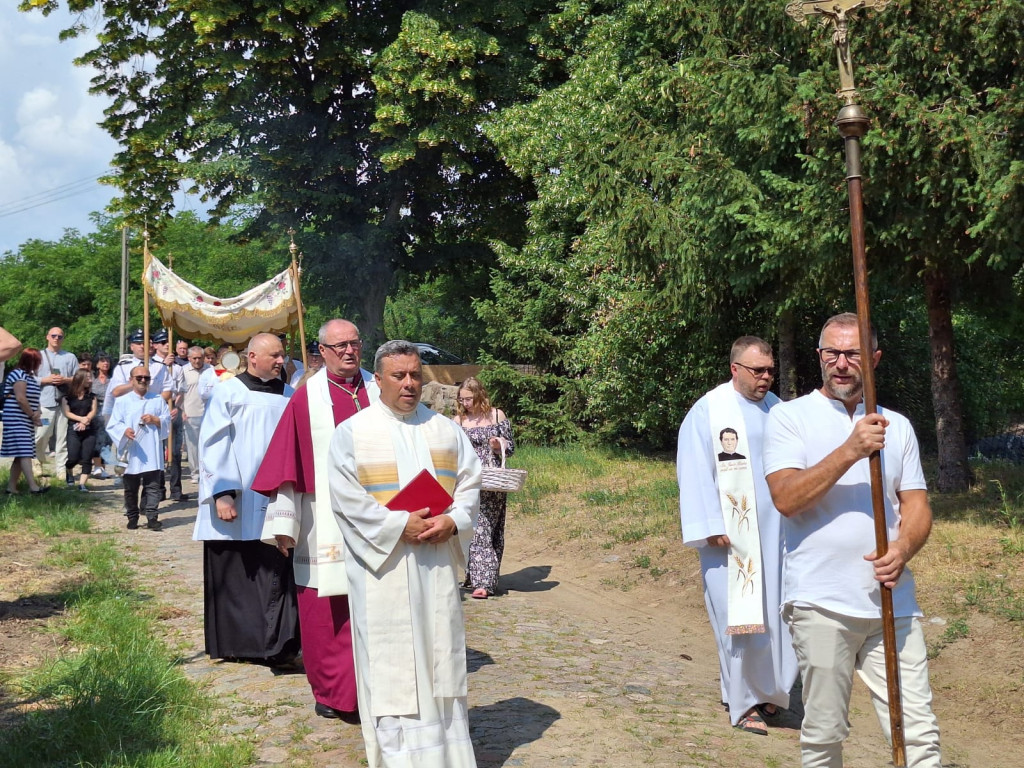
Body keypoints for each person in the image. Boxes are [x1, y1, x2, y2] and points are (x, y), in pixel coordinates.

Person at [764, 313, 941, 768]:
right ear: (820, 357)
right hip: (821, 601)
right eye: (831, 353)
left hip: (891, 602)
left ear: (875, 359)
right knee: (824, 731)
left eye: (853, 353)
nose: (841, 364)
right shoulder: (789, 418)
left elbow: (917, 506)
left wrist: (902, 549)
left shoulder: (896, 425)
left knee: (917, 730)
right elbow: (786, 497)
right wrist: (850, 449)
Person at [328, 339, 482, 768]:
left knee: (440, 657)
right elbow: (346, 499)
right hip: (386, 569)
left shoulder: (444, 430)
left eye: (415, 374)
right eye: (399, 375)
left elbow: (470, 483)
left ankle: (450, 756)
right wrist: (399, 524)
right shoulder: (354, 433)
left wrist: (453, 522)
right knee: (391, 661)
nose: (410, 383)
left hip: (434, 563)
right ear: (377, 380)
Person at [253, 319, 379, 723]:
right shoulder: (306, 399)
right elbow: (286, 464)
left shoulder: (381, 391)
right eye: (339, 345)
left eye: (354, 343)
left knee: (377, 605)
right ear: (321, 352)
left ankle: (377, 688)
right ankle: (333, 692)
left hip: (381, 518)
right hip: (323, 519)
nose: (348, 351)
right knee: (328, 609)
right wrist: (284, 526)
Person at [676, 336, 797, 735]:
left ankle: (770, 692)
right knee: (738, 619)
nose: (765, 378)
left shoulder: (778, 409)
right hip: (730, 536)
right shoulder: (710, 410)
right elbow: (692, 468)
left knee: (775, 616)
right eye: (757, 370)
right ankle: (741, 701)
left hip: (776, 532)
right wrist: (708, 523)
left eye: (769, 371)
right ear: (735, 369)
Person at [193, 333, 299, 665]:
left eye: (282, 355)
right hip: (237, 498)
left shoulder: (290, 396)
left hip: (277, 496)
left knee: (275, 572)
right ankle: (238, 644)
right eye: (275, 356)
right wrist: (222, 494)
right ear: (252, 357)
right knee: (237, 574)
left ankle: (275, 646)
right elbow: (213, 443)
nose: (282, 361)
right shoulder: (230, 392)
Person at [453, 376, 515, 599]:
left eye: (468, 398)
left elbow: (511, 447)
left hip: (491, 481)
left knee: (489, 528)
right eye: (462, 399)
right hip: (468, 481)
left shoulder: (497, 416)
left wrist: (499, 445)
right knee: (473, 527)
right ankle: (480, 578)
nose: (465, 403)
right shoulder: (458, 421)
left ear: (479, 395)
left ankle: (484, 579)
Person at [107, 366, 171, 530]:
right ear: (131, 380)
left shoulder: (157, 399)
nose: (143, 381)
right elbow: (113, 424)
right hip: (132, 449)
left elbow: (166, 421)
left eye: (146, 378)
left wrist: (155, 420)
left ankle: (151, 516)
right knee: (131, 488)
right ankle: (132, 517)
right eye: (139, 378)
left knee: (153, 486)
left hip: (151, 448)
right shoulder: (122, 401)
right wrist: (124, 431)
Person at [35, 327, 79, 483]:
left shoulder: (70, 357)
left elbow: (78, 378)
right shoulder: (38, 356)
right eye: (53, 335)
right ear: (47, 337)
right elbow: (27, 378)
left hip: (64, 403)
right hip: (44, 404)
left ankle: (61, 470)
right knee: (41, 435)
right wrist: (45, 380)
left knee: (62, 439)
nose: (56, 338)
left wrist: (65, 380)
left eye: (60, 336)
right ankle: (37, 464)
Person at [2, 348, 47, 494]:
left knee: (21, 453)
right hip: (16, 418)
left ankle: (11, 487)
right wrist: (33, 415)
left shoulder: (30, 377)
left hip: (25, 419)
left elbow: (34, 399)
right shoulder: (18, 374)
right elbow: (21, 398)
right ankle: (33, 486)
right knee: (25, 452)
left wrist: (37, 411)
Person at [62, 370, 98, 492]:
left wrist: (86, 419)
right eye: (88, 377)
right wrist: (81, 419)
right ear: (80, 379)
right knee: (73, 457)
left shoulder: (92, 396)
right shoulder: (67, 397)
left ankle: (82, 484)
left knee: (87, 458)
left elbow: (93, 410)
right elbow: (67, 412)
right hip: (74, 429)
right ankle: (69, 470)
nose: (90, 380)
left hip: (89, 429)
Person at [180, 346, 211, 485]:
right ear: (189, 358)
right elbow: (179, 392)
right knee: (192, 446)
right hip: (191, 412)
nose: (197, 361)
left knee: (208, 443)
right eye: (194, 358)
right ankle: (195, 472)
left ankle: (207, 470)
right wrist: (182, 410)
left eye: (200, 358)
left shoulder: (210, 370)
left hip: (208, 412)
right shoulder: (184, 371)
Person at [90, 353, 113, 479]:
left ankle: (102, 468)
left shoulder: (113, 380)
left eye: (107, 361)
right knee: (98, 439)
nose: (106, 363)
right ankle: (97, 466)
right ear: (97, 364)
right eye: (103, 361)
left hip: (110, 412)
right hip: (96, 411)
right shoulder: (92, 380)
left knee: (107, 441)